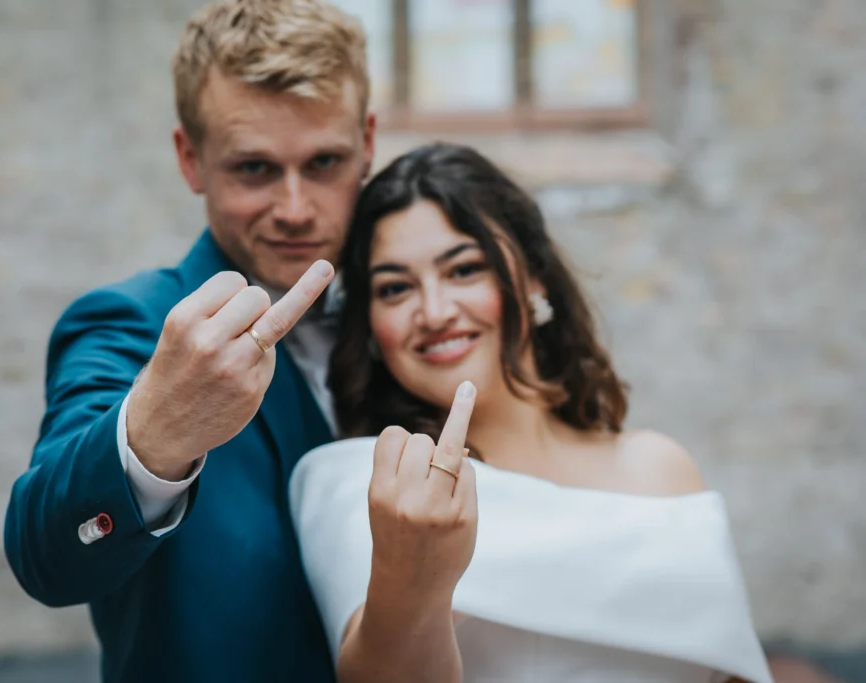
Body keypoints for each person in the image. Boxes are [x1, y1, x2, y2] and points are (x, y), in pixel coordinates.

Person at [289, 143, 775, 683]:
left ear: (534, 276)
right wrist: (415, 577)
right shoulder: (364, 482)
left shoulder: (660, 467)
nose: (434, 311)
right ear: (371, 327)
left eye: (464, 269)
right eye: (396, 288)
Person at [2, 1, 375, 681]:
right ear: (190, 158)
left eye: (324, 162)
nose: (294, 207)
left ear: (369, 144)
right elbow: (45, 555)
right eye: (254, 169)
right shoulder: (128, 323)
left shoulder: (410, 322)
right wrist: (154, 434)